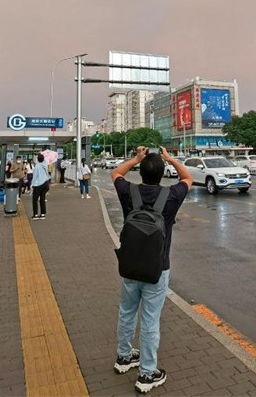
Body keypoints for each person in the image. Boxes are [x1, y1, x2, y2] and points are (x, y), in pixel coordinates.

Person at [111, 147, 192, 394]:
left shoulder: (128, 191)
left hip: (130, 265)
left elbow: (116, 173)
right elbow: (187, 178)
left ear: (141, 172)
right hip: (158, 268)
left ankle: (124, 356)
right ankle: (147, 373)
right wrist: (170, 158)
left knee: (127, 311)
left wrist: (135, 158)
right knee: (149, 320)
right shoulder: (171, 195)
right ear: (161, 173)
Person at [30, 154, 50, 219]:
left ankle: (35, 215)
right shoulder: (45, 165)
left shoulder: (37, 166)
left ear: (38, 159)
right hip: (45, 184)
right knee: (42, 199)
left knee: (35, 200)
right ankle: (43, 214)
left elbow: (35, 176)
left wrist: (32, 184)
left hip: (38, 185)